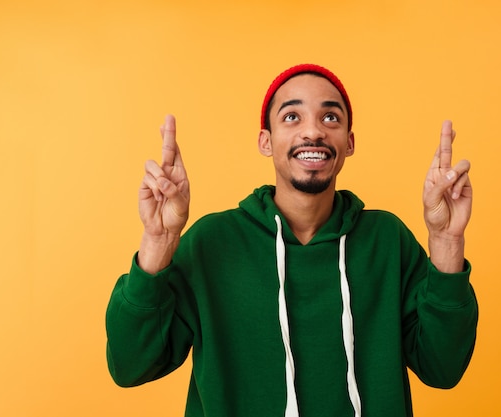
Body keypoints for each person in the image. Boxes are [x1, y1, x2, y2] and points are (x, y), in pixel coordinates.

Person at [105, 64, 478, 417]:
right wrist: (158, 241)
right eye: (291, 116)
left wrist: (446, 241)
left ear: (349, 143)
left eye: (330, 117)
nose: (313, 131)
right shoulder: (211, 243)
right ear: (265, 141)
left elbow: (442, 369)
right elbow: (131, 365)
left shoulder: (387, 241)